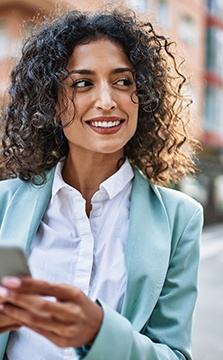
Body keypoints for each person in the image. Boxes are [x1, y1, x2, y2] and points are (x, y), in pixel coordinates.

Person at [0, 7, 203, 360]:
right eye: (83, 83)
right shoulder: (3, 203)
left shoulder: (180, 219)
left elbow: (175, 355)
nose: (107, 101)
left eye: (123, 81)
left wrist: (100, 333)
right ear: (51, 100)